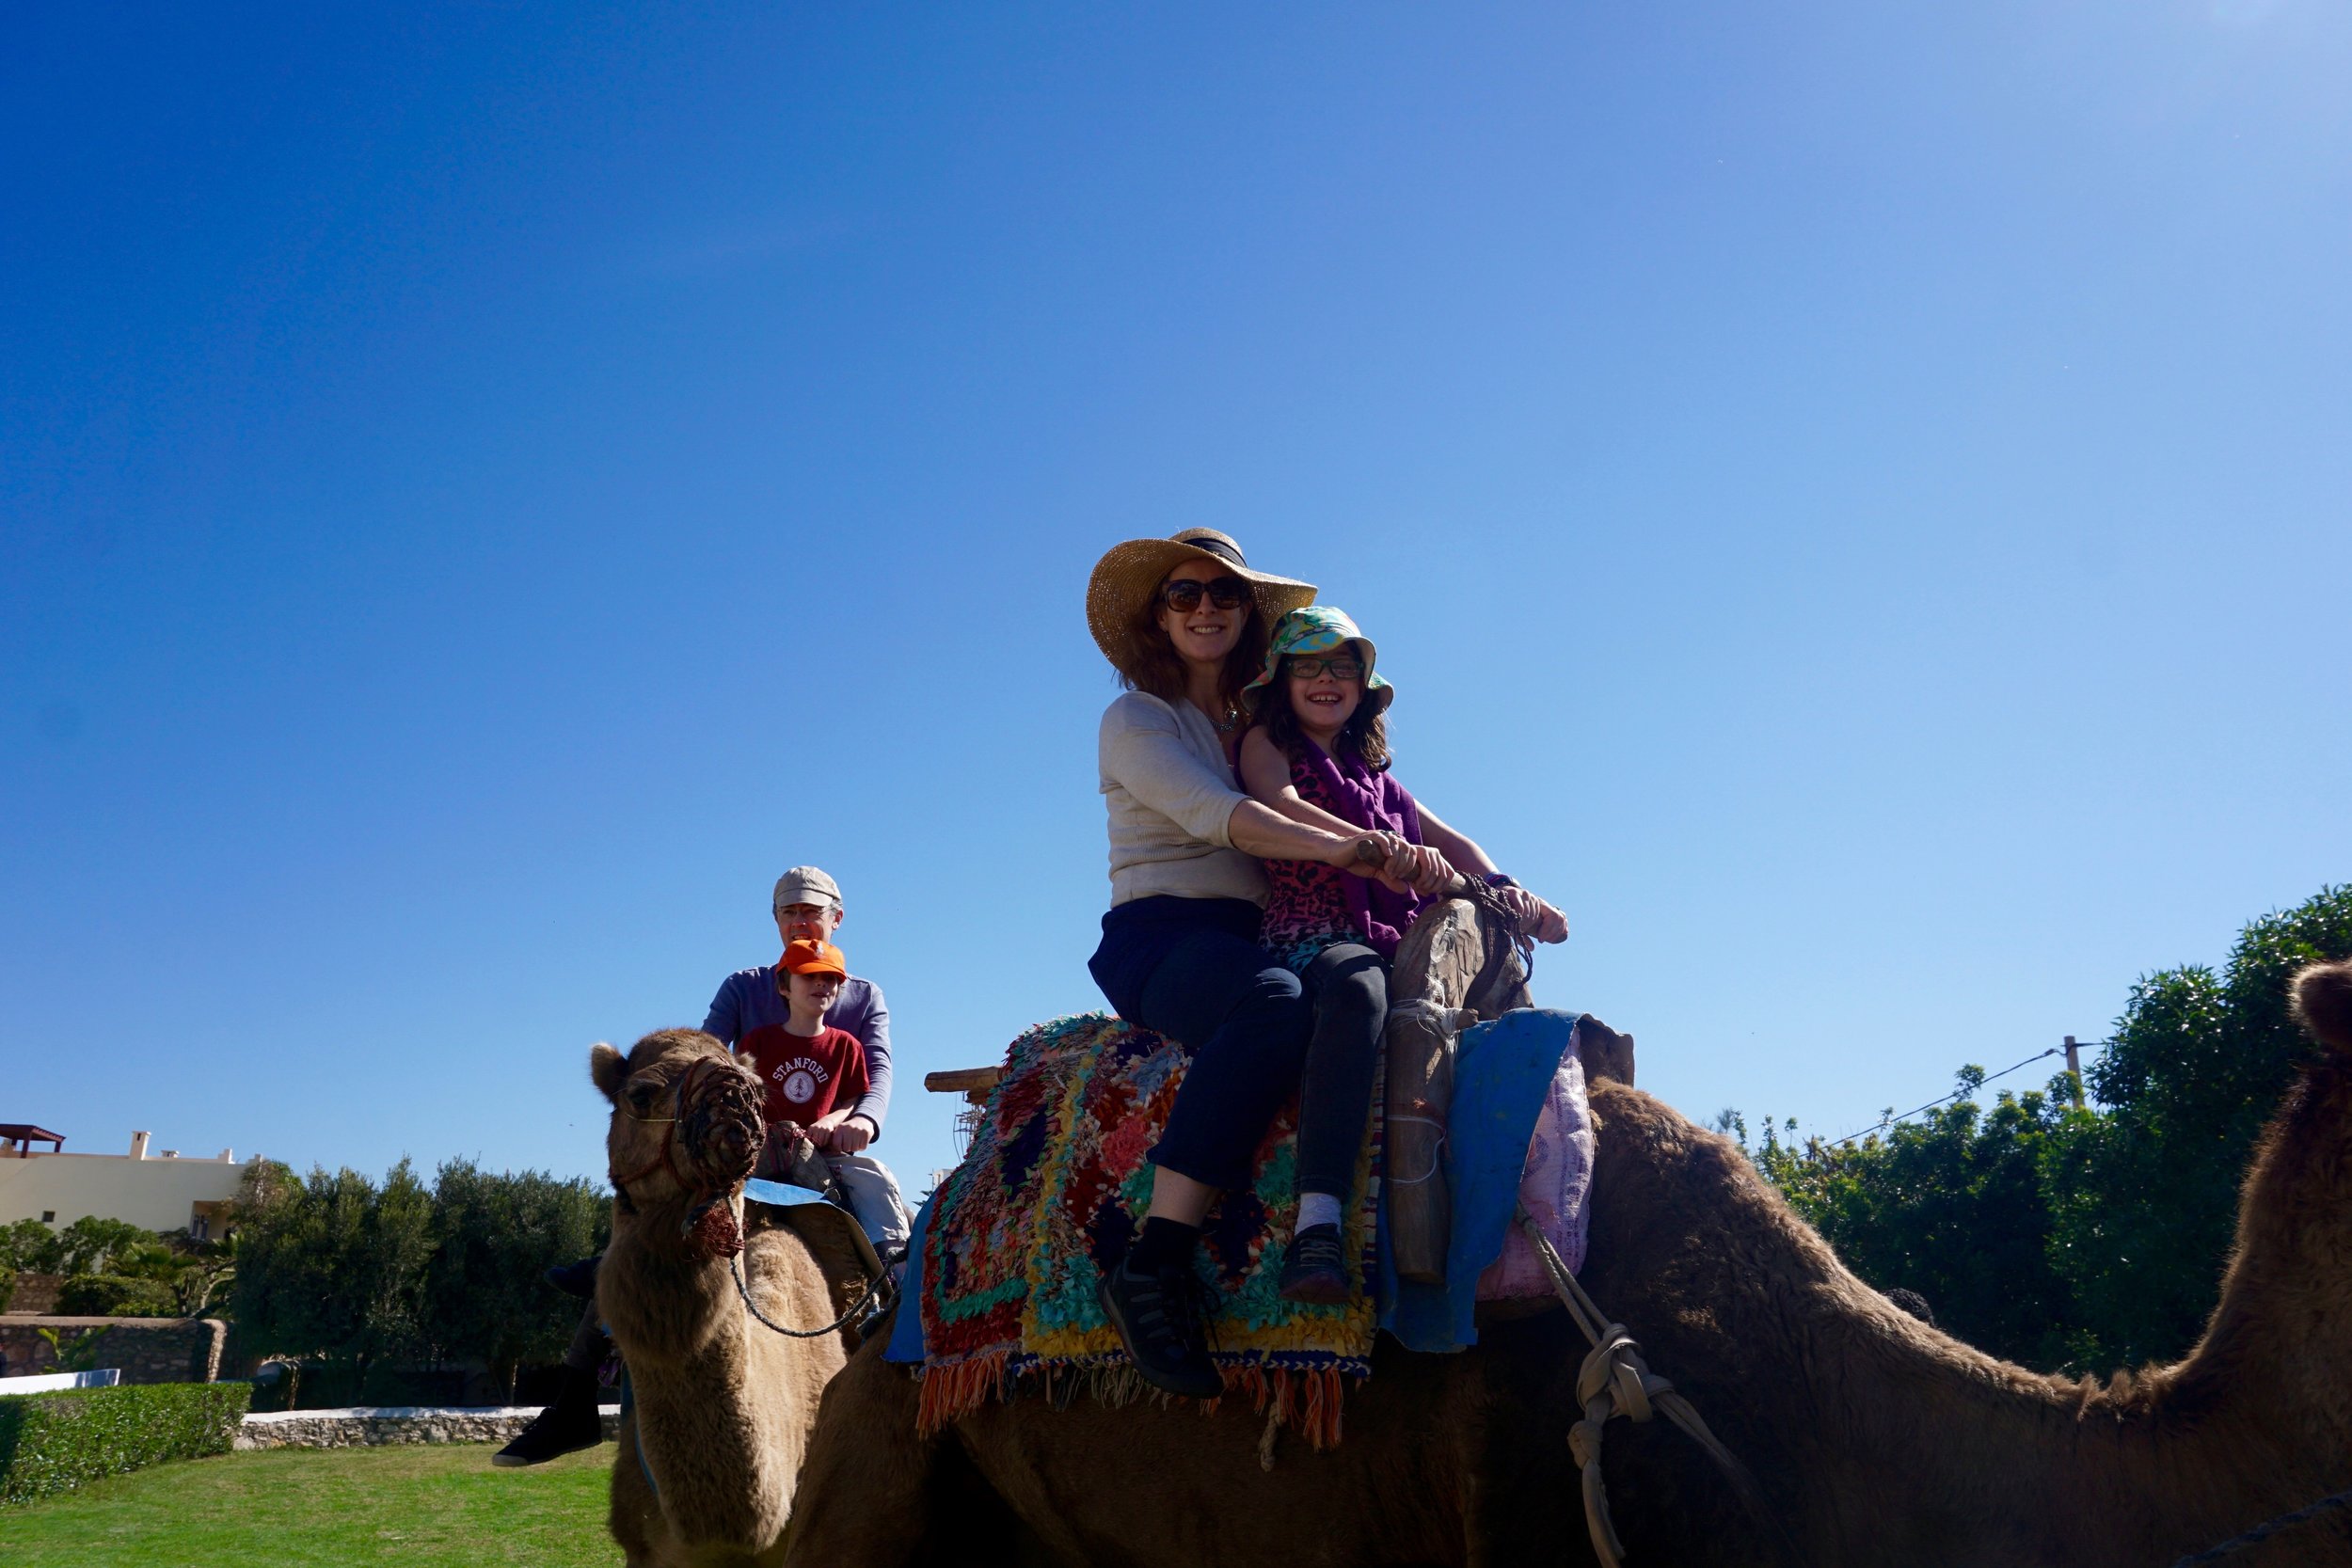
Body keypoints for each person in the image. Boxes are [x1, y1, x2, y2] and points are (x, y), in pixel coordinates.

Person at [1082, 528, 1442, 1399]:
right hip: (1162, 936)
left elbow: (1410, 812)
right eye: (1183, 594)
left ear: (1248, 615)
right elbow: (1217, 816)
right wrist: (1358, 849)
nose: (1205, 607)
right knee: (1273, 1005)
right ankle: (1151, 1258)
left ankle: (1331, 1219)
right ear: (1158, 617)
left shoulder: (1258, 729)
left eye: (1224, 594)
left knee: (1345, 987)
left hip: (1258, 934)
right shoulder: (1138, 718)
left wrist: (1485, 882)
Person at [494, 864, 904, 1468]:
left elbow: (877, 1073)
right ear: (776, 922)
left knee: (887, 1219)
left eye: (812, 910)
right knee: (654, 1216)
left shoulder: (859, 993)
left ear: (836, 918)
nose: (801, 919)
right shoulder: (744, 988)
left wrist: (859, 1123)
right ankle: (573, 1400)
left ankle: (900, 1334)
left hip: (828, 1149)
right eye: (790, 911)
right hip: (746, 1145)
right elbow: (700, 1064)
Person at [1235, 604, 1567, 1303]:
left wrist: (1514, 893)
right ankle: (1318, 1223)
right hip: (1316, 938)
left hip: (1399, 944)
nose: (1327, 679)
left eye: (1344, 667)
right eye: (1309, 666)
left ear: (1364, 687)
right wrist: (1367, 847)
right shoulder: (1267, 744)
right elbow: (1280, 803)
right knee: (1358, 992)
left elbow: (1456, 845)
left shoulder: (1381, 782)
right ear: (1282, 680)